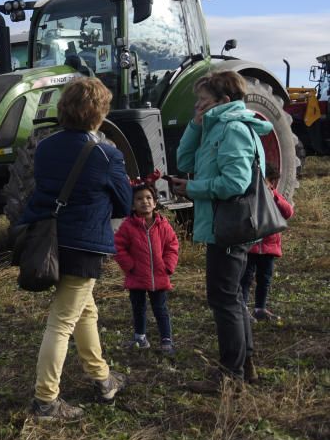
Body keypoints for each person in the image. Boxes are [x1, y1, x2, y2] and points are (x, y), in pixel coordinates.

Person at [19, 77, 133, 420]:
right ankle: (45, 401)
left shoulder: (45, 147)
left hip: (50, 241)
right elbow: (125, 204)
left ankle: (102, 378)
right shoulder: (106, 153)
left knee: (85, 311)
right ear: (99, 113)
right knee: (62, 322)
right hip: (84, 245)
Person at [170, 71, 270, 391]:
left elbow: (235, 183)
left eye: (203, 102)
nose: (197, 107)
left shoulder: (234, 131)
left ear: (224, 102)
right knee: (234, 296)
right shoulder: (215, 128)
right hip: (222, 224)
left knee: (224, 299)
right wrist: (195, 125)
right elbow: (185, 158)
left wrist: (194, 189)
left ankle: (231, 375)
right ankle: (246, 363)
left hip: (228, 226)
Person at [114, 173, 180, 355]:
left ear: (155, 201)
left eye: (149, 198)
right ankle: (140, 337)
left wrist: (168, 266)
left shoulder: (163, 225)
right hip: (137, 276)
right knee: (138, 307)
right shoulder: (128, 226)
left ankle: (166, 340)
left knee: (161, 308)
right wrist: (130, 266)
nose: (145, 202)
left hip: (159, 276)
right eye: (139, 199)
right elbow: (118, 247)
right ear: (132, 203)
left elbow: (172, 245)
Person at [240, 169, 294, 322]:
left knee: (265, 279)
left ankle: (260, 308)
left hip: (269, 247)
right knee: (246, 278)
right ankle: (243, 309)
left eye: (271, 183)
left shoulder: (274, 196)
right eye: (268, 181)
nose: (270, 185)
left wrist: (275, 197)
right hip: (252, 247)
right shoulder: (251, 195)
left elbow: (288, 212)